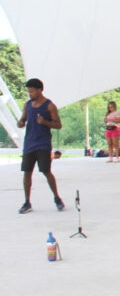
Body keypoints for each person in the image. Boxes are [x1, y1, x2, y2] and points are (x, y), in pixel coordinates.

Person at [17, 78, 65, 213]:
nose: (29, 94)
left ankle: (57, 198)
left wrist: (45, 122)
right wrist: (20, 123)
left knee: (46, 171)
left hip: (43, 144)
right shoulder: (27, 105)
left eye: (31, 91)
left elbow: (58, 125)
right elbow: (22, 119)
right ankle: (27, 202)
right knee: (27, 172)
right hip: (29, 144)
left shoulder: (50, 106)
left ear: (39, 90)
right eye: (28, 92)